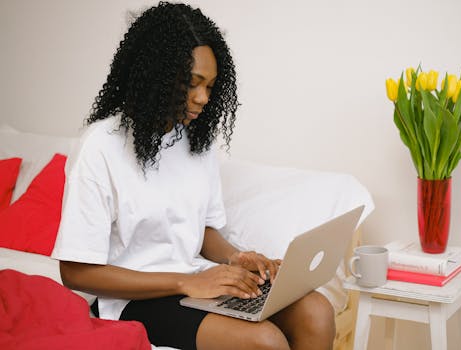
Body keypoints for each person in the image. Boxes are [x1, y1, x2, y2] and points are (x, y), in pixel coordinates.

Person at [51, 2, 335, 349]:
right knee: (265, 341)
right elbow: (76, 272)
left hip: (194, 283)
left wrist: (234, 257)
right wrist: (186, 284)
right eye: (192, 84)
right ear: (156, 74)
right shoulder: (100, 146)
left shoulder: (195, 141)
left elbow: (200, 232)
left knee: (317, 311)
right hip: (133, 301)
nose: (202, 98)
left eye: (211, 87)